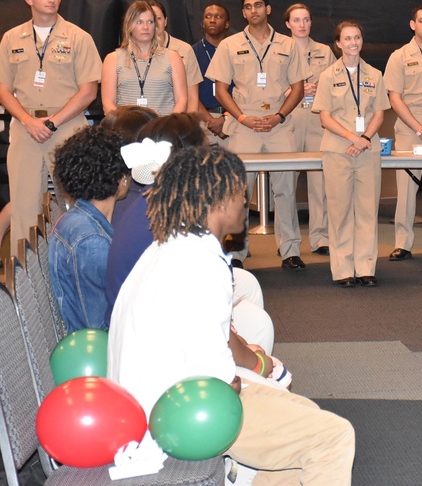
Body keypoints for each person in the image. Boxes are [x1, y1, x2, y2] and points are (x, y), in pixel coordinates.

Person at [108, 145, 355, 483]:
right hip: (178, 416)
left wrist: (250, 375)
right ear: (220, 200)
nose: (245, 201)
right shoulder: (201, 264)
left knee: (305, 421)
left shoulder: (171, 245)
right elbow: (220, 381)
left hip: (152, 405)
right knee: (334, 436)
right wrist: (251, 375)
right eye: (241, 192)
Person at [105, 113, 275, 352]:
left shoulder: (147, 194)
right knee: (260, 328)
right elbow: (197, 304)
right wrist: (253, 359)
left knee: (248, 292)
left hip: (137, 324)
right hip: (154, 341)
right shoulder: (181, 213)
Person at [206, 0, 306, 270]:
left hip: (278, 125)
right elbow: (220, 89)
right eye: (248, 7)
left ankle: (290, 251)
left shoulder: (288, 44)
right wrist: (240, 118)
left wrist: (279, 116)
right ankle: (237, 252)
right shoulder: (229, 44)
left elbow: (298, 87)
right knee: (238, 191)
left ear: (268, 9)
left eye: (258, 5)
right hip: (244, 124)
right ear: (243, 12)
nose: (253, 10)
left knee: (286, 189)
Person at [0, 0, 102, 244]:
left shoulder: (79, 37)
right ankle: (23, 280)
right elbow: (3, 89)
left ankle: (75, 260)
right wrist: (26, 120)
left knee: (75, 200)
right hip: (25, 127)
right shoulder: (11, 38)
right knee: (23, 205)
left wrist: (53, 122)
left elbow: (89, 91)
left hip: (67, 125)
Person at [313, 21, 390, 287]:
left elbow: (380, 113)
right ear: (338, 43)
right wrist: (352, 137)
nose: (353, 42)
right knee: (340, 211)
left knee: (368, 210)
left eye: (357, 37)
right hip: (337, 150)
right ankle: (344, 269)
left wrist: (365, 138)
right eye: (347, 38)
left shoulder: (375, 75)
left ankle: (366, 267)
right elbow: (325, 117)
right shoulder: (327, 76)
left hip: (367, 149)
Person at [48, 126, 130, 332]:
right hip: (96, 354)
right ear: (121, 179)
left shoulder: (77, 220)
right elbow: (98, 325)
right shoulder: (91, 241)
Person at [384, 3, 422, 262]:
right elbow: (394, 98)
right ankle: (403, 242)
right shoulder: (399, 56)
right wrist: (420, 129)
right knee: (407, 187)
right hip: (411, 126)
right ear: (413, 25)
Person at [285, 3, 333, 256]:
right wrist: (293, 91)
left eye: (306, 20)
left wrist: (319, 90)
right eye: (296, 20)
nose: (302, 25)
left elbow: (337, 83)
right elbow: (269, 86)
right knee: (286, 185)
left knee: (320, 185)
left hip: (317, 122)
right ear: (287, 24)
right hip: (289, 122)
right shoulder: (278, 50)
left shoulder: (324, 51)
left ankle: (320, 237)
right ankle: (289, 243)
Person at [100, 0, 188, 116]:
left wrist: (166, 127)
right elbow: (108, 104)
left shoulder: (173, 57)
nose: (145, 27)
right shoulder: (113, 59)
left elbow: (182, 101)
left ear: (155, 26)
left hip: (163, 130)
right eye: (139, 22)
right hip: (126, 130)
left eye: (150, 22)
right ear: (129, 25)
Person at [148, 0, 203, 114]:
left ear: (165, 21)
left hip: (176, 121)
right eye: (150, 20)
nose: (155, 23)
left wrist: (188, 124)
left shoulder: (184, 49)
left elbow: (192, 96)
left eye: (158, 18)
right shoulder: (136, 51)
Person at [194, 2, 232, 143]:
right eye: (208, 16)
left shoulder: (235, 51)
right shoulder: (193, 52)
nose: (212, 20)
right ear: (203, 23)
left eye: (218, 16)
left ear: (227, 24)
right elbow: (190, 93)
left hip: (234, 119)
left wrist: (225, 118)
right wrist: (210, 121)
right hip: (204, 121)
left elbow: (245, 89)